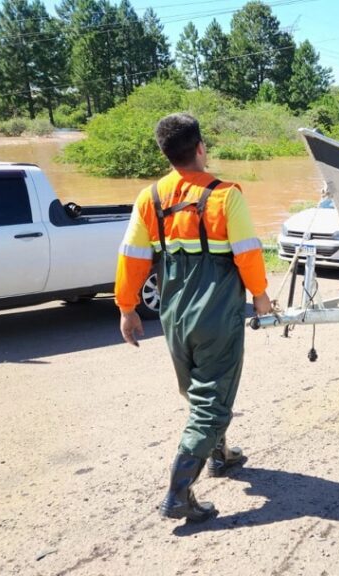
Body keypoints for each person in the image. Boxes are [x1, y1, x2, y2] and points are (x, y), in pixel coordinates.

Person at [115, 113, 272, 522]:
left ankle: (220, 455)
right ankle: (178, 494)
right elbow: (248, 253)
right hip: (216, 313)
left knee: (198, 389)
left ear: (166, 155)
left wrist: (127, 308)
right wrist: (261, 296)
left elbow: (132, 256)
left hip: (174, 314)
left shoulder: (149, 198)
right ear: (200, 147)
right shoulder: (225, 196)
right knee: (211, 402)